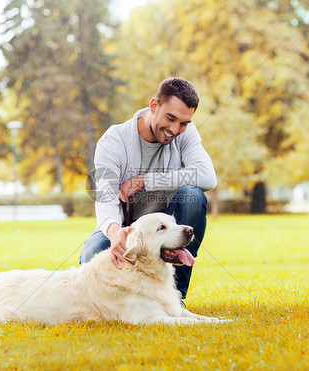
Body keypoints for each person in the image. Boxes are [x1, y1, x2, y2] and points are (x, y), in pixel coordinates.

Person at [80, 77, 216, 300]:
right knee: (92, 255)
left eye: (183, 123)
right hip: (124, 227)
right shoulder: (113, 141)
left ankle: (174, 299)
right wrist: (116, 235)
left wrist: (146, 180)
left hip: (165, 231)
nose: (175, 129)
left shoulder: (186, 134)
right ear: (154, 106)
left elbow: (207, 176)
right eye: (170, 118)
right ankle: (128, 300)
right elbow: (105, 199)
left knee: (192, 195)